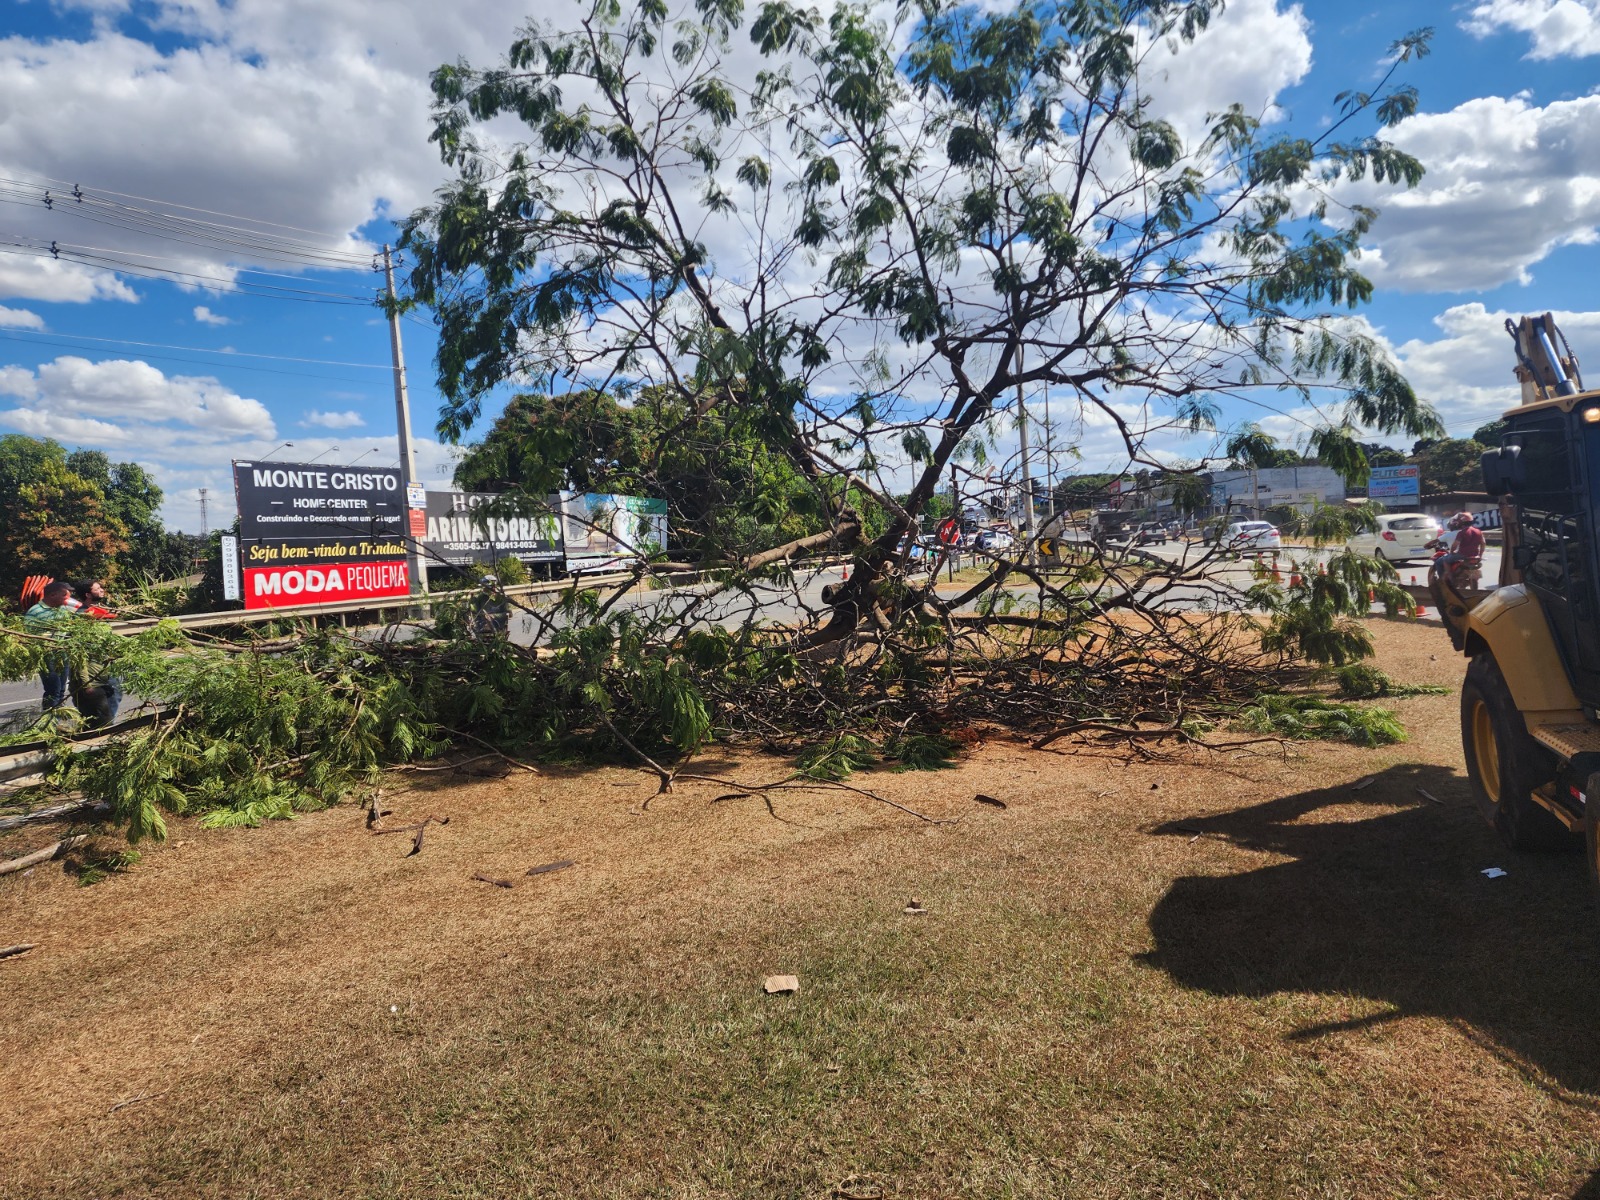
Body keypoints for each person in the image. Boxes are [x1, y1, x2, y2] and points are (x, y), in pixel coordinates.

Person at [22, 580, 73, 711]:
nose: (67, 599)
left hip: (63, 653)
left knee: (61, 689)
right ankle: (49, 719)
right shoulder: (35, 611)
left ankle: (58, 716)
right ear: (52, 595)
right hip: (47, 655)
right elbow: (29, 635)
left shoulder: (63, 609)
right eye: (64, 595)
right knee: (53, 689)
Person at [1440, 511, 1485, 590]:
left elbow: (1455, 545)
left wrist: (1451, 552)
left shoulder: (1462, 533)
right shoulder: (1478, 531)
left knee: (1445, 560)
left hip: (1462, 555)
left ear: (1460, 522)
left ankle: (1451, 577)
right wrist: (1480, 555)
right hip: (1475, 556)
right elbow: (1483, 544)